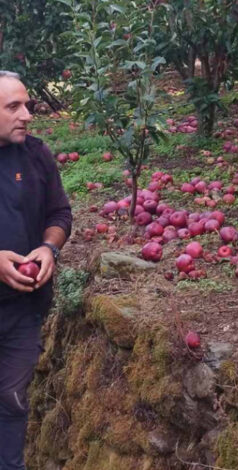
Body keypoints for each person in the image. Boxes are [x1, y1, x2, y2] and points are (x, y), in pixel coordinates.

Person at [0, 70, 72, 469]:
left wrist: (48, 248)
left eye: (27, 104)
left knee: (11, 400)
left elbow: (60, 213)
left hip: (22, 307)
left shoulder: (36, 154)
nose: (27, 114)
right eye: (14, 107)